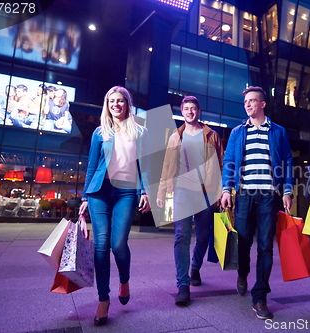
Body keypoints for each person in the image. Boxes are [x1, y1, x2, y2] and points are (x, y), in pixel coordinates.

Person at [78, 86, 151, 326]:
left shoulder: (140, 132)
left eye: (120, 101)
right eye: (111, 102)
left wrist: (146, 191)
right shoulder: (100, 133)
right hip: (100, 191)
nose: (116, 105)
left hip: (126, 192)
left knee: (118, 243)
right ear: (107, 105)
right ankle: (103, 299)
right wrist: (85, 197)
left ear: (128, 104)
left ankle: (125, 280)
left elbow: (145, 166)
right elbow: (92, 166)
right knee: (101, 245)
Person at [220, 86, 294, 320]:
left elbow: (287, 161)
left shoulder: (278, 131)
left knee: (265, 247)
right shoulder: (238, 132)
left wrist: (287, 190)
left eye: (253, 101)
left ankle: (260, 296)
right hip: (244, 195)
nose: (249, 105)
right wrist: (226, 189)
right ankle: (242, 273)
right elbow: (229, 161)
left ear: (263, 104)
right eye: (246, 102)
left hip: (269, 196)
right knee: (242, 243)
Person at [157, 96, 223, 306]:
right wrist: (160, 191)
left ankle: (195, 268)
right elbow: (167, 166)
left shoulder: (212, 136)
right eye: (186, 109)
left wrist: (224, 192)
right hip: (182, 192)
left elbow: (221, 165)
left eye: (193, 108)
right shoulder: (175, 137)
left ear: (199, 111)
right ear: (182, 111)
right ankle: (182, 284)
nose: (190, 112)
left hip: (206, 191)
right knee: (181, 236)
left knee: (203, 236)